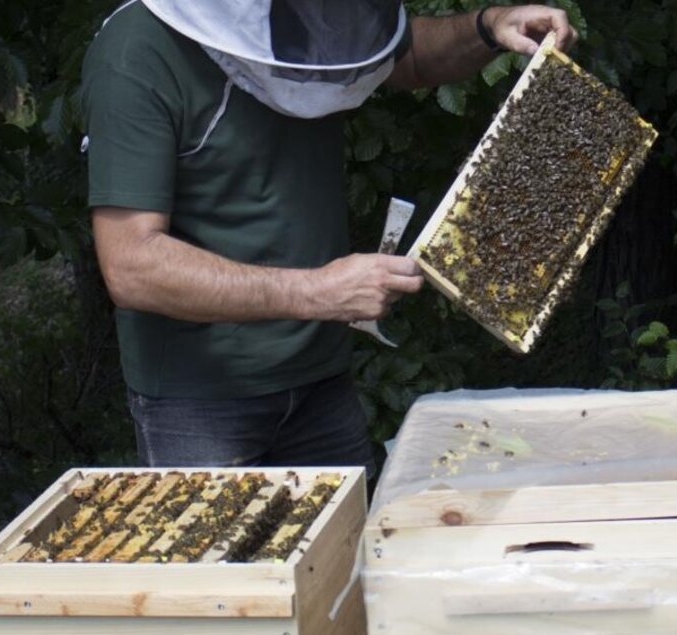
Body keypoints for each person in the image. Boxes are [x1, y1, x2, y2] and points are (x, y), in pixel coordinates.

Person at [81, 1, 577, 471]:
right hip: (199, 400)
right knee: (226, 563)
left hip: (322, 379)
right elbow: (132, 266)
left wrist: (488, 27)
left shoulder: (309, 14)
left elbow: (403, 56)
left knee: (343, 555)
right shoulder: (136, 52)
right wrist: (319, 292)